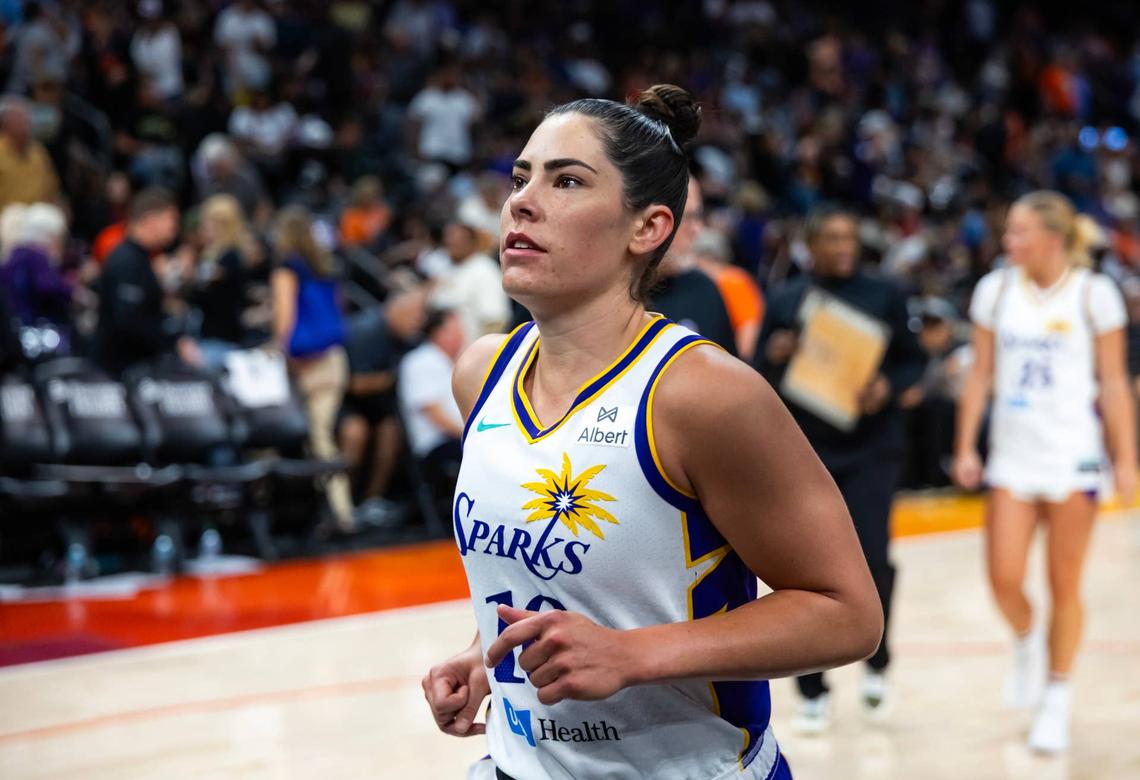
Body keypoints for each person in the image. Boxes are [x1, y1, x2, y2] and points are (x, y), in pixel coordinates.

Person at [422, 84, 882, 780]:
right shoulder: (480, 372)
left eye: (567, 180)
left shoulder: (703, 395)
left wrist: (635, 654)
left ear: (649, 228)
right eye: (521, 177)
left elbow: (846, 613)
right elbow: (552, 573)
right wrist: (488, 654)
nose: (522, 200)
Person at [952, 191, 1137, 754]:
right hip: (1013, 454)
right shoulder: (996, 289)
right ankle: (1027, 640)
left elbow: (1113, 382)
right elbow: (980, 373)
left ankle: (1056, 696)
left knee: (1065, 584)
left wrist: (1126, 457)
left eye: (1018, 234)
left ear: (1052, 240)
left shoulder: (1094, 293)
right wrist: (965, 445)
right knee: (1004, 578)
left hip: (1073, 454)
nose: (1008, 243)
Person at [753, 205, 926, 733]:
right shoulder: (784, 299)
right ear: (812, 244)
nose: (843, 245)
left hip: (873, 447)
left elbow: (912, 360)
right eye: (832, 237)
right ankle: (811, 689)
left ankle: (876, 664)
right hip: (806, 454)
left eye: (850, 235)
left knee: (874, 558)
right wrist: (778, 354)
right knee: (804, 573)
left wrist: (888, 388)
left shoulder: (885, 295)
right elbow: (756, 375)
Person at [270, 205, 354, 531]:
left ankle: (339, 513)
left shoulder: (286, 267)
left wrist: (280, 351)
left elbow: (285, 317)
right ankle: (333, 509)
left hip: (306, 363)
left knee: (317, 437)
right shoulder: (324, 265)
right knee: (321, 436)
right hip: (333, 357)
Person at [92, 188, 199, 375]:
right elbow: (129, 320)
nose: (174, 229)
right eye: (170, 220)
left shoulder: (141, 258)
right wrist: (172, 341)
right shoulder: (127, 260)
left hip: (136, 365)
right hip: (122, 370)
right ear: (151, 220)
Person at [340, 290, 425, 524]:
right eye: (414, 316)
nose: (418, 322)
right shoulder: (364, 331)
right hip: (345, 402)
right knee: (355, 433)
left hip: (380, 405)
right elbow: (354, 384)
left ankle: (372, 499)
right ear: (396, 311)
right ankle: (342, 501)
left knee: (392, 431)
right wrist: (392, 378)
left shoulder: (410, 338)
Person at [647, 177, 737, 354]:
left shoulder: (703, 290)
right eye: (688, 217)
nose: (698, 230)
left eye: (699, 216)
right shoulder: (606, 293)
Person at [396, 307, 466, 511]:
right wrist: (471, 436)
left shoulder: (453, 361)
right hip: (436, 445)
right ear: (438, 333)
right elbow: (434, 413)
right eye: (455, 329)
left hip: (459, 438)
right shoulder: (419, 361)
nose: (462, 334)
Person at [187, 194, 257, 370]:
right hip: (210, 335)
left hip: (220, 339)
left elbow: (210, 294)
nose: (203, 227)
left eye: (207, 222)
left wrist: (189, 279)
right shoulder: (212, 255)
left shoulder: (229, 258)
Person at [431, 217, 510, 346]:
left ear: (472, 242)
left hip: (468, 354)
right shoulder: (447, 269)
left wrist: (484, 358)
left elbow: (495, 322)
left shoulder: (484, 270)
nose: (451, 242)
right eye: (448, 240)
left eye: (457, 240)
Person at [0, 95, 60, 210]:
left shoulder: (38, 151)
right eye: (19, 121)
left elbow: (52, 188)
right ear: (5, 125)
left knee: (52, 218)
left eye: (27, 120)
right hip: (7, 214)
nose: (25, 126)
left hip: (37, 212)